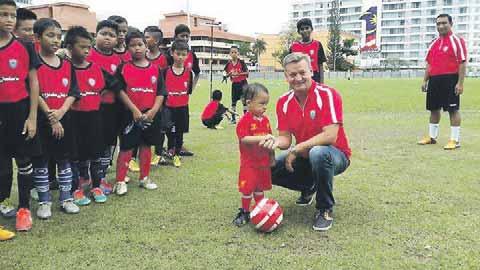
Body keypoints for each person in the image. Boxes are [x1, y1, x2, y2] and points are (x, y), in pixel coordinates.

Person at [263, 53, 351, 231]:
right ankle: (309, 185)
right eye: (292, 75)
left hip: (335, 154)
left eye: (302, 72)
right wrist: (273, 142)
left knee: (318, 153)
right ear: (286, 76)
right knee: (267, 168)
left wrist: (297, 149)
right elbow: (286, 139)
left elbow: (330, 136)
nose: (298, 78)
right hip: (305, 155)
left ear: (311, 71)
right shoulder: (283, 102)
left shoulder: (328, 95)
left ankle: (324, 208)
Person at [65, 26, 120, 206]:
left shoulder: (96, 68)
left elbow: (107, 86)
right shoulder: (65, 67)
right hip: (73, 119)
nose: (87, 50)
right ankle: (77, 189)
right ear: (70, 47)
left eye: (88, 47)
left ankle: (96, 185)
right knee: (76, 156)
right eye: (82, 47)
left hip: (94, 117)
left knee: (95, 154)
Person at [32, 18, 80, 218]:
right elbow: (34, 92)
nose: (55, 40)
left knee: (64, 160)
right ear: (37, 37)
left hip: (64, 119)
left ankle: (66, 198)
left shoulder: (67, 65)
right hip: (42, 121)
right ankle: (44, 201)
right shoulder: (33, 63)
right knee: (41, 161)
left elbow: (73, 92)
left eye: (58, 36)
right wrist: (52, 118)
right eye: (50, 35)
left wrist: (61, 112)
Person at [0, 0, 42, 231]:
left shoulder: (24, 47)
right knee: (3, 167)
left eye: (11, 15)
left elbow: (33, 82)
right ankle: (3, 200)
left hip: (20, 112)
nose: (8, 19)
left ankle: (24, 209)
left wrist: (32, 116)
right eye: (3, 14)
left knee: (24, 162)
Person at [114, 30, 166, 196]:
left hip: (150, 115)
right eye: (132, 45)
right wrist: (134, 110)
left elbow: (161, 93)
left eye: (140, 44)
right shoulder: (123, 67)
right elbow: (120, 91)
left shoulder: (156, 69)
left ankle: (144, 178)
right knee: (127, 148)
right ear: (127, 48)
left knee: (146, 146)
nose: (136, 48)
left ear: (146, 46)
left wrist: (153, 111)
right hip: (130, 115)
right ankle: (120, 181)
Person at [417, 14, 467, 150]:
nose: (441, 26)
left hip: (451, 79)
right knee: (433, 109)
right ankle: (432, 137)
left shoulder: (457, 41)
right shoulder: (434, 42)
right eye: (438, 24)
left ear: (451, 24)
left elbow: (462, 63)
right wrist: (425, 80)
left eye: (444, 23)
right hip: (434, 80)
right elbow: (429, 63)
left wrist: (460, 83)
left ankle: (454, 140)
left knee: (453, 109)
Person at [86, 20, 122, 194]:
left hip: (111, 108)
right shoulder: (87, 55)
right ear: (96, 35)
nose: (107, 38)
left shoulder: (118, 59)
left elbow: (120, 84)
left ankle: (101, 177)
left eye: (112, 35)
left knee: (108, 143)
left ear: (117, 39)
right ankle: (85, 176)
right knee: (90, 142)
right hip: (89, 108)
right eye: (104, 33)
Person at [233, 83, 275, 226]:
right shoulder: (244, 120)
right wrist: (262, 138)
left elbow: (270, 141)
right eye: (262, 103)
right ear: (249, 103)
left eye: (266, 104)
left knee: (259, 188)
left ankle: (259, 209)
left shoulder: (266, 121)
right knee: (247, 189)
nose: (265, 107)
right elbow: (244, 139)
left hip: (262, 163)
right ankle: (244, 211)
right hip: (249, 164)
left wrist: (272, 157)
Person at [165, 24, 200, 157]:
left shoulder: (191, 54)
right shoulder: (170, 54)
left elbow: (196, 73)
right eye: (182, 36)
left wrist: (191, 88)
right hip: (168, 97)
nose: (185, 38)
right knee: (168, 123)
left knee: (180, 123)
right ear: (175, 36)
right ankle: (169, 148)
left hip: (182, 96)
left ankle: (178, 147)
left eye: (187, 36)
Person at [163, 40, 193, 168]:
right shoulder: (165, 71)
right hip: (168, 107)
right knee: (169, 131)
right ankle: (169, 150)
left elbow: (189, 90)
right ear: (172, 53)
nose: (180, 57)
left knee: (180, 132)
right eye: (178, 53)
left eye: (183, 54)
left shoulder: (189, 73)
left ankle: (176, 154)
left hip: (182, 108)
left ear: (187, 55)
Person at [289, 18, 327, 83]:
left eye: (307, 28)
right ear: (298, 31)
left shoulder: (317, 44)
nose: (305, 31)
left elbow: (320, 65)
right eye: (302, 29)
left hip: (315, 78)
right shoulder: (293, 47)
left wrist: (322, 83)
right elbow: (291, 67)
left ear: (311, 29)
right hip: (299, 78)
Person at [223, 45, 248, 124]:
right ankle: (233, 119)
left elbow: (247, 73)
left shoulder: (241, 62)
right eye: (232, 52)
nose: (234, 54)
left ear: (238, 53)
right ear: (230, 54)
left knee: (244, 102)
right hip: (234, 85)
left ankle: (245, 119)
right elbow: (225, 75)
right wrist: (228, 74)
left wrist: (239, 73)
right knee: (233, 103)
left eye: (235, 52)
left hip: (243, 84)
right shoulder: (228, 64)